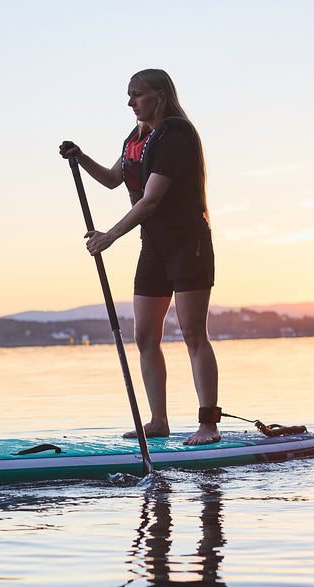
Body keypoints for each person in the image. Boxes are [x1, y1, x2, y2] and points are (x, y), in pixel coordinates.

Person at [59, 68, 221, 446]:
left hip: (188, 243)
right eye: (129, 95)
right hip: (154, 247)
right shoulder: (136, 139)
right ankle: (158, 421)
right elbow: (115, 179)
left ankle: (208, 425)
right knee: (145, 335)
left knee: (194, 334)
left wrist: (109, 237)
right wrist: (80, 158)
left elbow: (150, 199)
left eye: (137, 94)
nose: (130, 102)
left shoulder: (176, 135)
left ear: (160, 95)